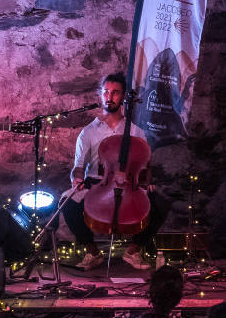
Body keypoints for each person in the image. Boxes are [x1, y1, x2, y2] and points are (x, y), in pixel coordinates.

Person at [61, 72, 163, 271]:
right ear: (101, 95)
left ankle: (133, 251)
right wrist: (77, 179)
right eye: (106, 92)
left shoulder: (135, 131)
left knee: (159, 204)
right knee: (67, 201)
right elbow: (78, 166)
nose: (110, 97)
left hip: (128, 184)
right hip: (96, 183)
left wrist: (147, 181)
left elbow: (143, 168)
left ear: (123, 97)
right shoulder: (89, 131)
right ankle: (93, 252)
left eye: (115, 93)